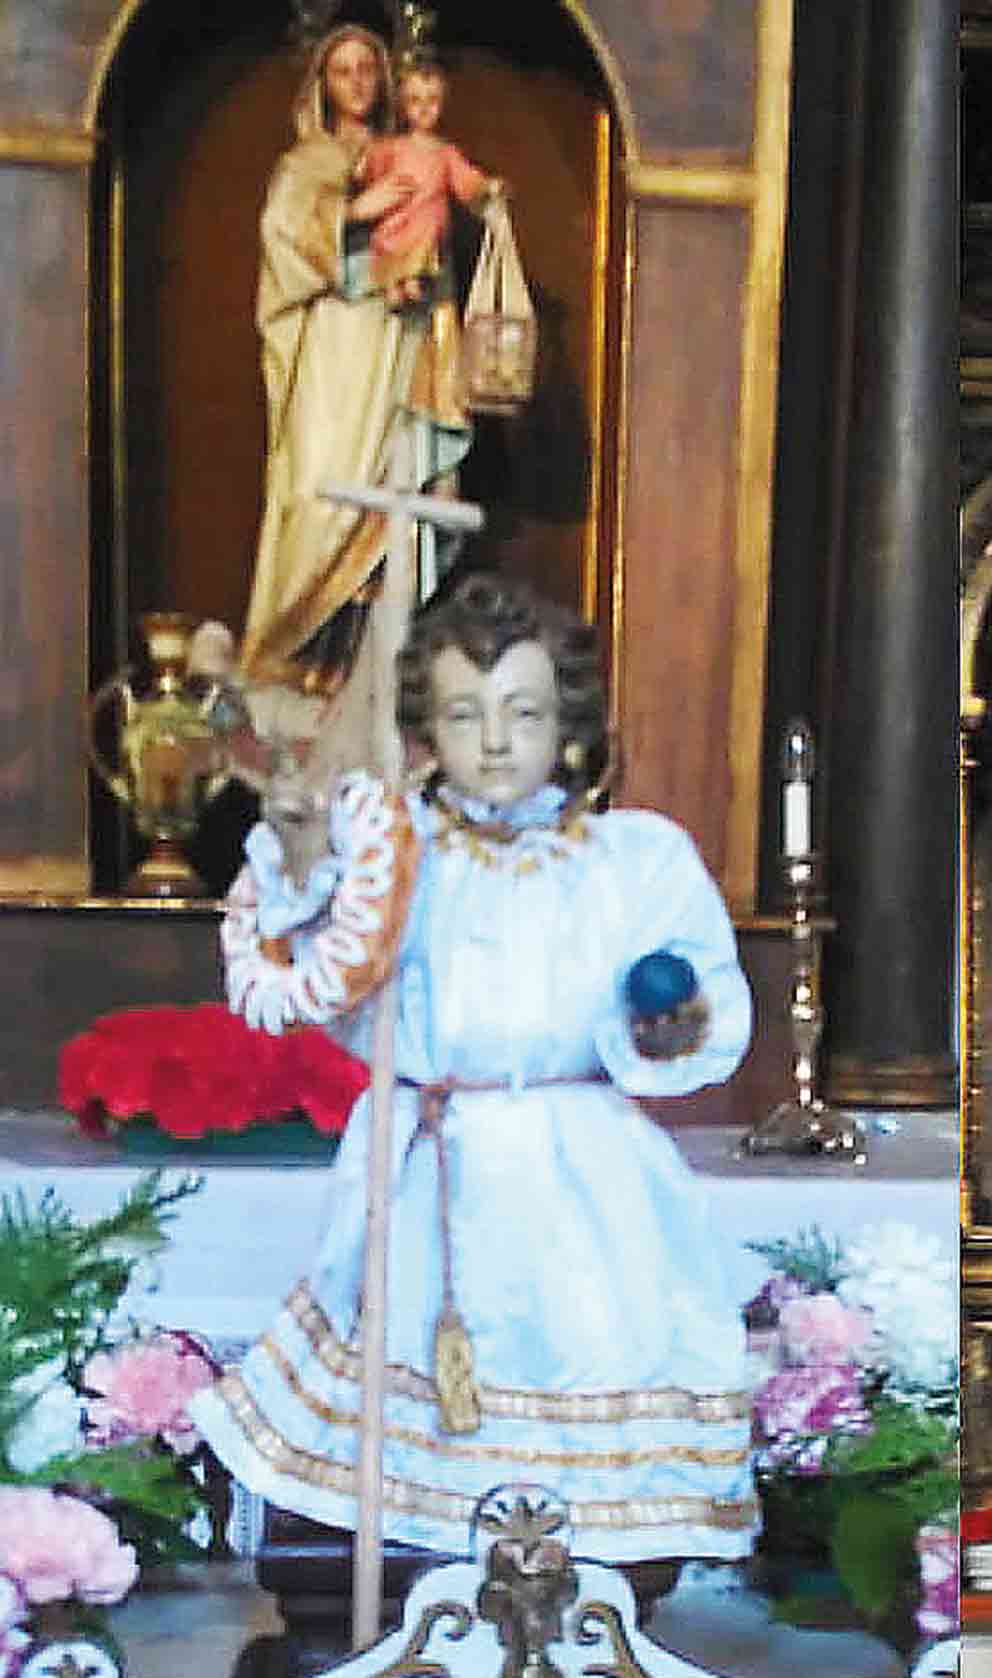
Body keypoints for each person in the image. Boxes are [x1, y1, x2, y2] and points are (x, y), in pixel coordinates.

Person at [192, 574, 757, 1562]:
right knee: (405, 1360)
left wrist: (668, 1021)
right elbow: (327, 986)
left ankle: (582, 1579)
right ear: (426, 730)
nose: (495, 742)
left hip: (577, 1164)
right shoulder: (392, 852)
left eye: (523, 713)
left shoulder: (635, 858)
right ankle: (410, 1594)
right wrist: (304, 868)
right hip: (423, 1162)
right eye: (465, 714)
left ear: (567, 724)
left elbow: (698, 992)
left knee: (587, 1338)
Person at [240, 24, 474, 708]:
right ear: (322, 83)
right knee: (319, 491)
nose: (358, 83)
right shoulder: (304, 162)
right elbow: (281, 240)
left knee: (389, 499)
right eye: (343, 71)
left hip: (394, 343)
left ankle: (357, 669)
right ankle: (289, 650)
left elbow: (437, 251)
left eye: (368, 69)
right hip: (334, 349)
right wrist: (353, 211)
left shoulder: (412, 153)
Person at [354, 57, 503, 310]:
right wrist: (363, 166)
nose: (424, 109)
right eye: (415, 101)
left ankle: (411, 282)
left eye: (432, 101)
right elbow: (371, 170)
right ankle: (393, 285)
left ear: (442, 105)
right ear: (404, 106)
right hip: (398, 218)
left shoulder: (445, 152)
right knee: (387, 241)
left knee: (426, 235)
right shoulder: (393, 147)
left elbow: (465, 179)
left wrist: (486, 186)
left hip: (427, 221)